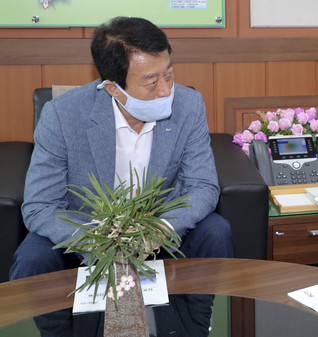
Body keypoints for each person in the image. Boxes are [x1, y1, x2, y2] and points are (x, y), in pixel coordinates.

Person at [10, 16, 233, 335]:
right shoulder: (62, 115)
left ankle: (198, 329)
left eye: (169, 74)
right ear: (113, 87)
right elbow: (39, 206)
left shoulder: (188, 104)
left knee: (216, 231)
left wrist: (160, 228)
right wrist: (100, 241)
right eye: (152, 82)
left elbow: (202, 187)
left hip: (161, 233)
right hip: (88, 235)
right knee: (31, 259)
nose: (166, 91)